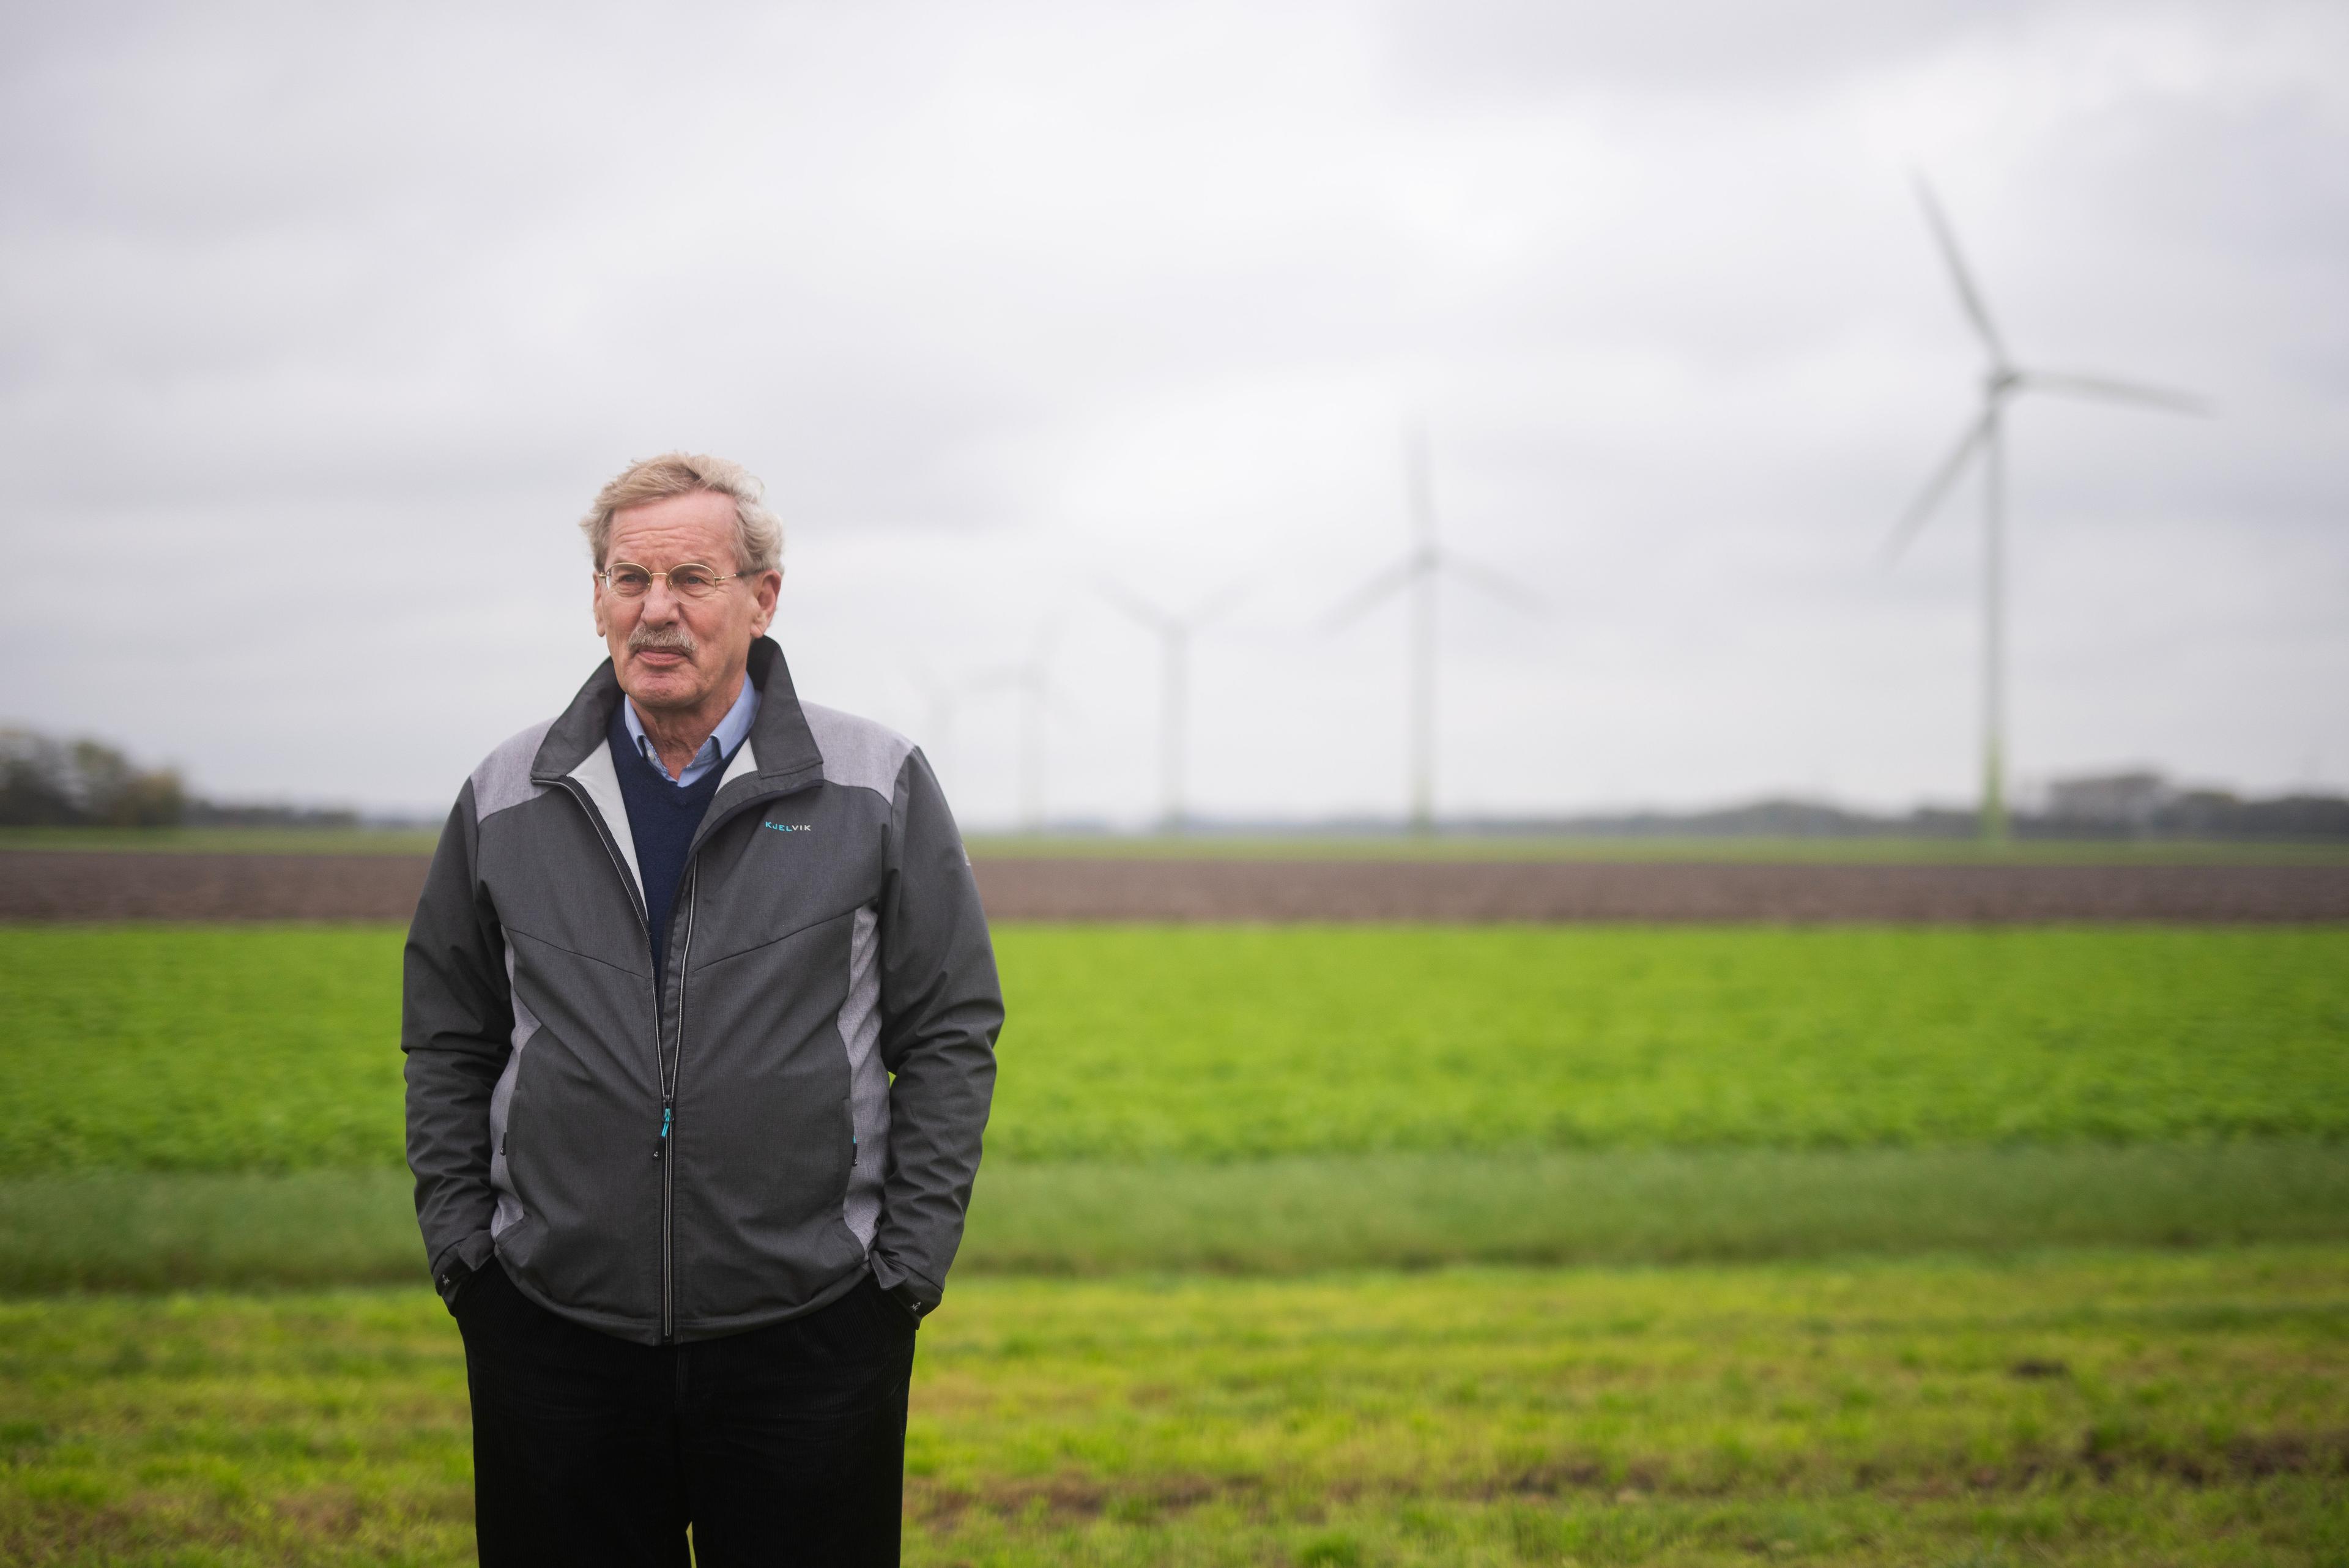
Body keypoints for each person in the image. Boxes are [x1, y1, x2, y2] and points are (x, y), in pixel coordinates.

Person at [403, 452, 1001, 1566]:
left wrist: (900, 1278)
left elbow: (950, 1030)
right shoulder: (507, 792)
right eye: (628, 579)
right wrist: (466, 1260)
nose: (657, 611)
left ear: (762, 597)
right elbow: (448, 1034)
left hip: (812, 1335)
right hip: (551, 1335)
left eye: (692, 579)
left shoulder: (874, 785)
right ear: (596, 600)